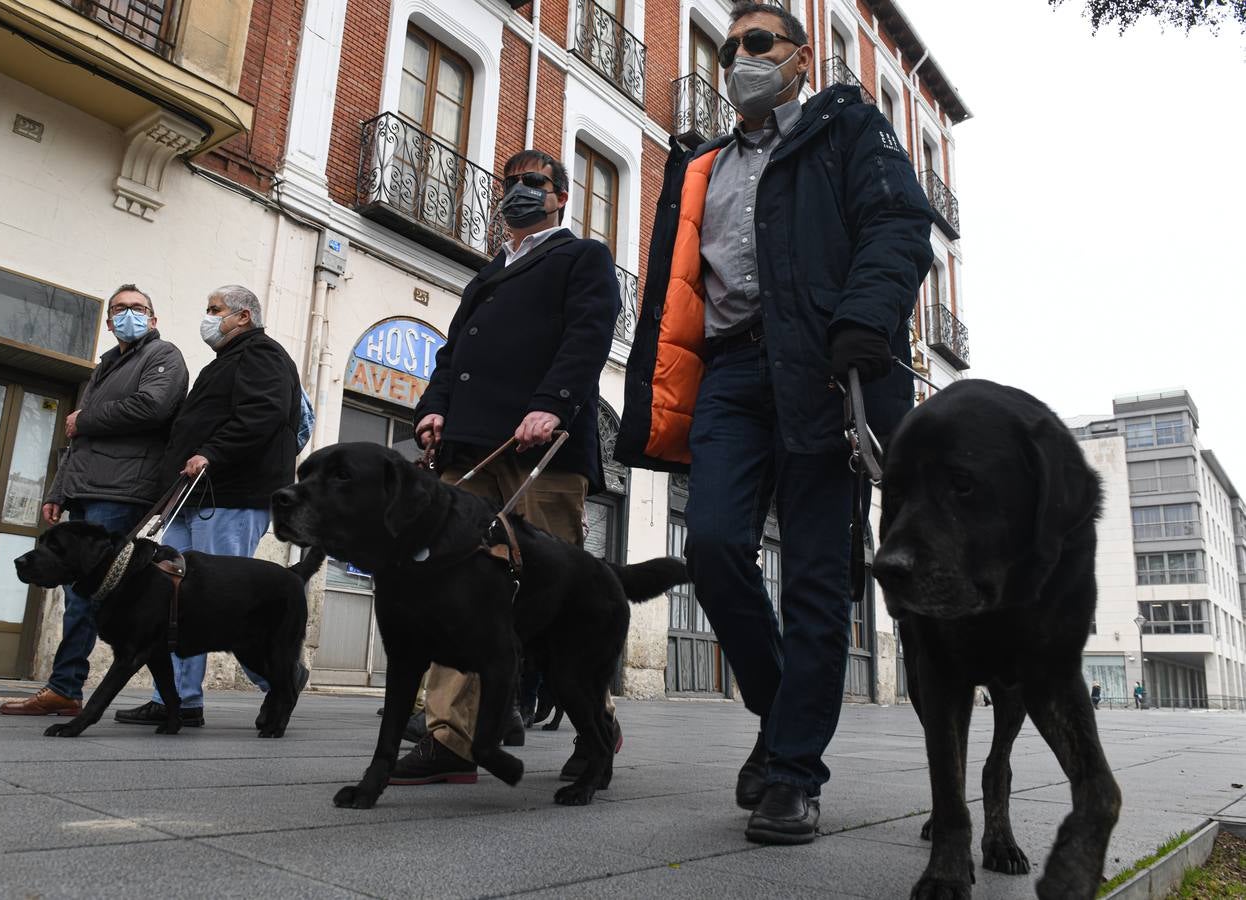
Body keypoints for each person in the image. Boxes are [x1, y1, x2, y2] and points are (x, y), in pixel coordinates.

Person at [614, 2, 933, 846]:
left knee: (818, 579)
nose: (741, 59)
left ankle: (792, 772)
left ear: (799, 58)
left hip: (823, 370)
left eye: (759, 43)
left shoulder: (847, 129)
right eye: (729, 49)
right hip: (729, 373)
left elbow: (901, 226)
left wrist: (864, 321)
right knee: (714, 546)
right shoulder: (700, 165)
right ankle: (782, 703)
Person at [390, 148, 620, 786]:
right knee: (453, 590)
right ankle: (451, 737)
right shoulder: (487, 274)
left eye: (534, 182)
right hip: (467, 449)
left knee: (560, 598)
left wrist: (551, 405)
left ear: (560, 197)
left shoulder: (582, 257)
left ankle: (595, 729)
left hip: (538, 449)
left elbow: (587, 336)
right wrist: (432, 411)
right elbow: (450, 354)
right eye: (511, 182)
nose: (520, 191)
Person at [114, 285, 305, 727]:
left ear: (242, 316)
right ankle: (178, 700)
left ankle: (281, 677)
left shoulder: (264, 355)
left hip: (231, 495)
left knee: (224, 602)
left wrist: (213, 453)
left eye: (214, 309)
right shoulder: (224, 362)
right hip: (193, 498)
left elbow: (262, 414)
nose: (208, 317)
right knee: (174, 600)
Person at [0, 285, 187, 718]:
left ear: (153, 319)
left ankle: (67, 687)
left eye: (138, 308)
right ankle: (67, 688)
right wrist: (58, 490)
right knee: (78, 595)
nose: (128, 315)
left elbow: (152, 407)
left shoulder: (163, 356)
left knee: (94, 597)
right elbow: (78, 439)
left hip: (122, 492)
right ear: (108, 322)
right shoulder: (105, 367)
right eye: (119, 309)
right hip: (85, 490)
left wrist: (85, 417)